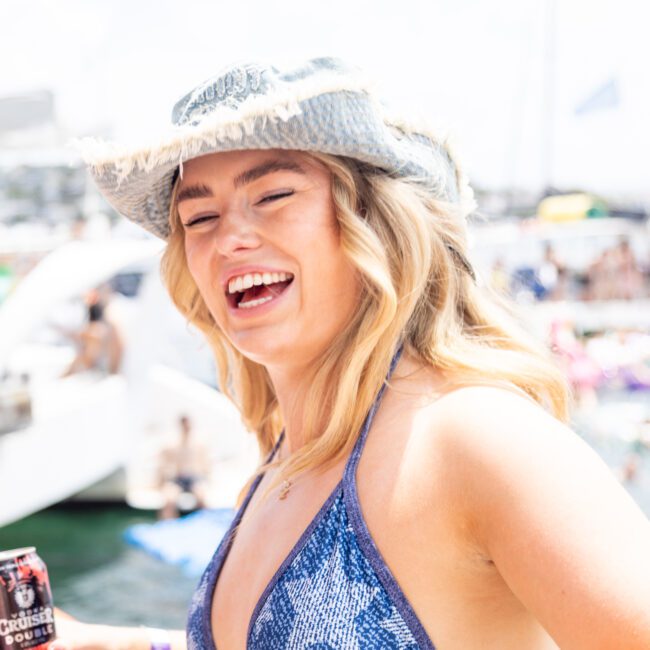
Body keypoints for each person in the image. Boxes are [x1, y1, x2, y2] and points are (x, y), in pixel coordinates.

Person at [51, 58, 650, 649]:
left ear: (372, 220)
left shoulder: (474, 437)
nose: (229, 237)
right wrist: (126, 645)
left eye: (274, 194)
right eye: (199, 216)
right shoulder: (279, 461)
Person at [158, 415, 210, 519]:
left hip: (194, 478)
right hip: (178, 479)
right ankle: (168, 528)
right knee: (169, 500)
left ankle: (206, 524)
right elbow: (163, 465)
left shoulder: (199, 444)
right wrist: (160, 483)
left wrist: (206, 478)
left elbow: (207, 466)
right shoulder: (172, 445)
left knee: (202, 498)